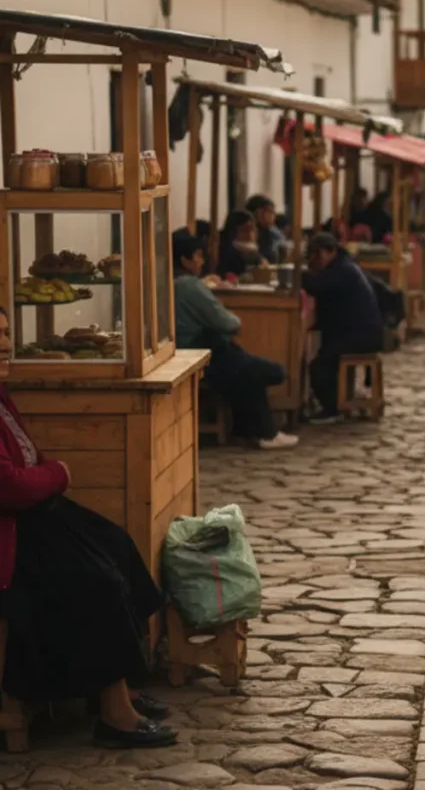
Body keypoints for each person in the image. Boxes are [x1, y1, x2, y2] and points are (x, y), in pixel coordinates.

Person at [0, 306, 177, 749]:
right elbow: (7, 486)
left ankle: (121, 687)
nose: (4, 344)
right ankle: (115, 713)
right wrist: (58, 474)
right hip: (11, 533)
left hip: (32, 517)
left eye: (5, 333)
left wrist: (44, 475)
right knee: (94, 580)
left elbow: (23, 460)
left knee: (115, 545)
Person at [173, 232, 298, 450]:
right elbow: (230, 324)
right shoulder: (189, 287)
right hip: (201, 353)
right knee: (265, 371)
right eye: (198, 256)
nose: (202, 261)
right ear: (185, 260)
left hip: (187, 351)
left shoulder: (173, 283)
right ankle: (264, 433)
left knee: (245, 372)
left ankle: (253, 431)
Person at [302, 232, 384, 424]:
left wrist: (302, 274)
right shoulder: (345, 266)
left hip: (360, 335)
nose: (314, 260)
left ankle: (331, 409)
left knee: (320, 365)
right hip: (360, 331)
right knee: (324, 353)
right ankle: (332, 401)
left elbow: (316, 285)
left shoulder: (342, 270)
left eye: (317, 255)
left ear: (330, 252)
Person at [217, 209, 264, 279]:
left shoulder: (255, 251)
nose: (250, 235)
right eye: (244, 230)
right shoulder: (224, 251)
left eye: (252, 229)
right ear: (233, 231)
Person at [244, 194, 286, 264]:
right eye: (267, 211)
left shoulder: (275, 233)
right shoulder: (246, 232)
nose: (272, 216)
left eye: (272, 212)